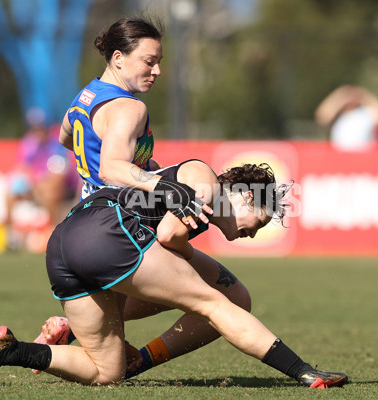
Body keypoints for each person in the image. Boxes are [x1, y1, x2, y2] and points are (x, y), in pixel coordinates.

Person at [0, 160, 348, 388]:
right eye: (257, 220)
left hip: (64, 241)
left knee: (106, 373)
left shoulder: (196, 190)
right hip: (109, 232)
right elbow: (168, 233)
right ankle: (304, 372)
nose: (252, 232)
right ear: (244, 193)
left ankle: (10, 350)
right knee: (214, 303)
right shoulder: (207, 184)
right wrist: (200, 274)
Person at [36, 16, 258, 379]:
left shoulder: (86, 97)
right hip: (124, 220)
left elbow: (65, 136)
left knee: (156, 305)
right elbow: (112, 167)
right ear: (119, 57)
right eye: (149, 61)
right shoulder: (127, 106)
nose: (156, 71)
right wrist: (159, 183)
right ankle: (96, 337)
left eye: (159, 62)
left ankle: (75, 329)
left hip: (90, 220)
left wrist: (129, 165)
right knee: (227, 298)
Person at [6, 107, 78, 251]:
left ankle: (50, 231)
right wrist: (29, 185)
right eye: (33, 128)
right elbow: (21, 169)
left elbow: (58, 177)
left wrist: (37, 186)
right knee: (10, 195)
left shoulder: (58, 145)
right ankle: (11, 233)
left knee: (50, 191)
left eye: (39, 128)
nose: (36, 132)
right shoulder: (29, 144)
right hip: (37, 187)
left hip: (61, 188)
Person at [315, 85, 378, 152]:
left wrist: (365, 96)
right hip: (339, 156)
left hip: (363, 156)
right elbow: (322, 117)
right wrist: (338, 97)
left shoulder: (366, 112)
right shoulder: (336, 115)